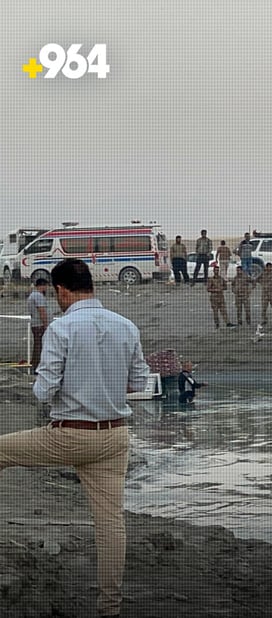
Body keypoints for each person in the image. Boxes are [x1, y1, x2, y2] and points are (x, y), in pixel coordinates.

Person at [0, 257, 149, 617]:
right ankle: (109, 607)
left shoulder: (62, 328)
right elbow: (141, 382)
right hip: (115, 437)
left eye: (56, 293)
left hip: (70, 435)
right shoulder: (125, 325)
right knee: (111, 524)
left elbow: (44, 390)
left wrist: (62, 383)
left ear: (62, 290)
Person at [27, 278, 50, 370]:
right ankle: (37, 366)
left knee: (38, 344)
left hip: (35, 324)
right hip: (39, 325)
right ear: (42, 285)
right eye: (46, 286)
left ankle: (35, 363)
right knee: (39, 345)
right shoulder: (38, 296)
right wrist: (46, 325)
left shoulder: (33, 295)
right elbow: (42, 311)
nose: (47, 288)